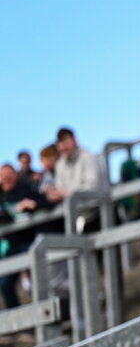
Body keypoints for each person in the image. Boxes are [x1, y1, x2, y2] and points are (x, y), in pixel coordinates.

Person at [0, 163, 52, 308]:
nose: (7, 179)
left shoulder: (25, 188)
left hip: (29, 241)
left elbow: (45, 202)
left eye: (9, 175)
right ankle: (17, 318)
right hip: (10, 245)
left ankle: (42, 310)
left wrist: (32, 204)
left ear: (15, 175)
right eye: (4, 177)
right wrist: (12, 211)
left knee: (36, 279)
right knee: (5, 283)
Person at [49, 127, 104, 205]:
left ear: (74, 140)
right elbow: (59, 189)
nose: (64, 146)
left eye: (66, 142)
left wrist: (68, 193)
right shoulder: (59, 165)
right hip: (73, 211)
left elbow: (93, 186)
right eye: (60, 143)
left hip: (95, 209)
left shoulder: (88, 157)